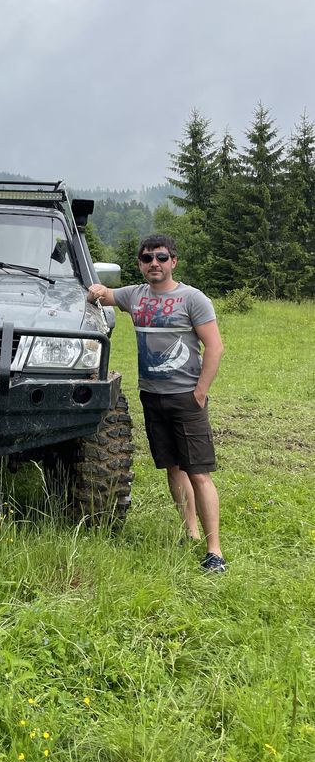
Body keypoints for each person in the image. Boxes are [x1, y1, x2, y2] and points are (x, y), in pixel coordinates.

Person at [87, 234, 226, 573]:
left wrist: (200, 392)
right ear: (140, 264)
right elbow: (105, 295)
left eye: (161, 257)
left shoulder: (193, 299)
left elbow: (215, 347)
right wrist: (95, 291)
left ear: (173, 261)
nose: (154, 263)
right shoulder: (135, 295)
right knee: (173, 467)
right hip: (151, 397)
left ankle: (214, 551)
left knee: (199, 472)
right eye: (147, 258)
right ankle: (190, 532)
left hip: (186, 397)